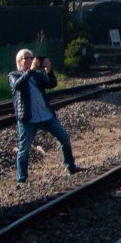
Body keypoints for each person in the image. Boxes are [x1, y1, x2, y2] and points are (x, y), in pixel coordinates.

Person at [9, 48, 78, 183]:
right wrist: (31, 71)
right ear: (19, 62)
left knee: (64, 137)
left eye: (31, 58)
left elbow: (52, 84)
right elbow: (18, 86)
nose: (30, 60)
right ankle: (21, 179)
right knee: (24, 150)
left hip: (46, 115)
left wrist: (49, 70)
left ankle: (71, 167)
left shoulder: (38, 75)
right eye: (26, 58)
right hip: (28, 118)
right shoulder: (13, 75)